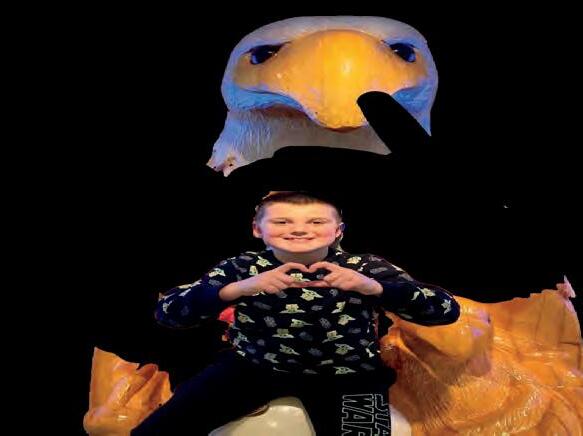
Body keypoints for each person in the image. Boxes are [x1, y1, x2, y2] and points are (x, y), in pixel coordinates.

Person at [132, 191, 460, 435]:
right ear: (258, 229)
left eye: (316, 222)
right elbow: (168, 313)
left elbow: (445, 310)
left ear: (338, 231)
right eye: (282, 221)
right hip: (251, 368)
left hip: (353, 376)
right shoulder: (241, 267)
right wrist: (237, 289)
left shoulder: (365, 266)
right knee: (155, 431)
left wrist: (375, 288)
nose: (300, 229)